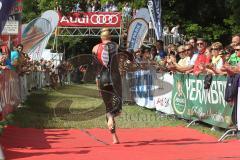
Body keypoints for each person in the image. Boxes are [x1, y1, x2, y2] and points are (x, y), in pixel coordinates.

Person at [92, 28, 122, 144]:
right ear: (110, 37)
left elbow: (95, 68)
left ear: (101, 38)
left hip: (102, 78)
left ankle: (114, 137)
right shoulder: (116, 46)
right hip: (114, 78)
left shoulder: (95, 48)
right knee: (118, 108)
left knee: (108, 107)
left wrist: (97, 84)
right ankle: (112, 116)